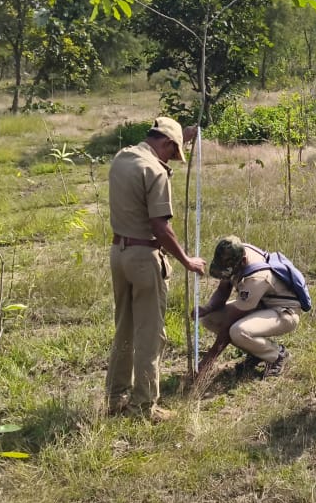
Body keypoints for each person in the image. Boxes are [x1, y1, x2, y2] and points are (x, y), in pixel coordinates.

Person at [105, 116, 206, 421]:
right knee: (150, 335)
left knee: (124, 327)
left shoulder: (122, 158)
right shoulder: (156, 171)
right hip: (144, 258)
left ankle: (115, 397)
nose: (171, 158)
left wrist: (182, 136)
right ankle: (143, 406)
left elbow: (162, 142)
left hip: (118, 254)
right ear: (165, 143)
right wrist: (186, 260)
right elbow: (160, 228)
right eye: (172, 152)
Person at [194, 235, 300, 379]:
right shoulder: (234, 254)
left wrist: (208, 361)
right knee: (209, 318)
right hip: (260, 303)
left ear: (243, 262)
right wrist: (207, 308)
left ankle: (277, 355)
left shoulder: (256, 278)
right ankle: (257, 352)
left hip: (284, 312)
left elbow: (228, 324)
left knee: (238, 331)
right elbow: (223, 290)